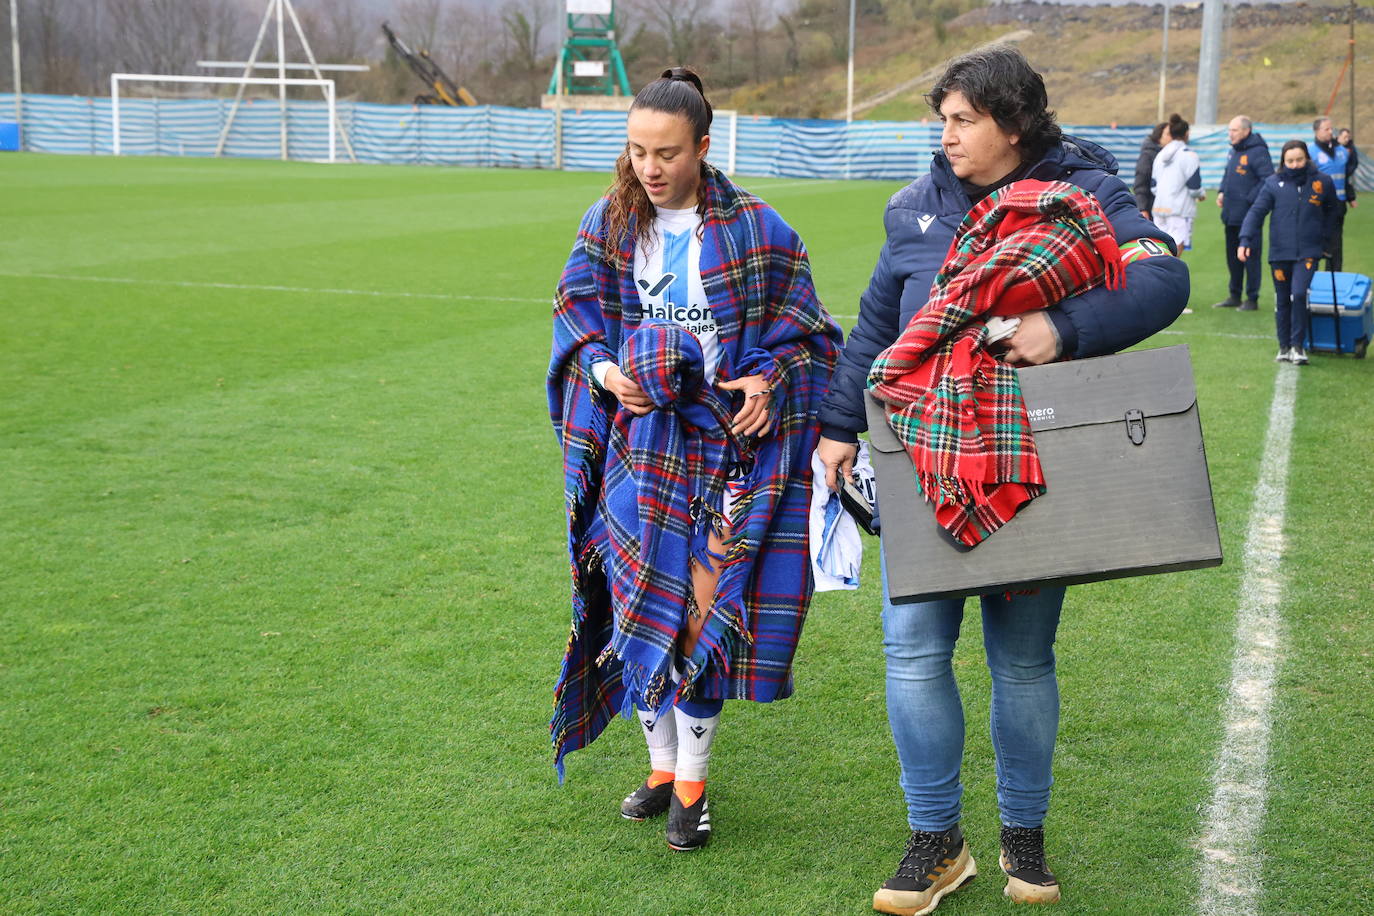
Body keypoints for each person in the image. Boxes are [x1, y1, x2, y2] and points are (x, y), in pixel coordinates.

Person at [814, 46, 1189, 913]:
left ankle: (1024, 835)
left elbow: (1164, 277)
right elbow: (875, 324)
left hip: (1029, 465)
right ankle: (935, 841)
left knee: (1021, 664)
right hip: (919, 464)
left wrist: (1062, 326)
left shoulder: (1088, 193)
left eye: (961, 121)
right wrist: (837, 428)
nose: (942, 137)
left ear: (1012, 126)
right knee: (911, 654)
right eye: (940, 119)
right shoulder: (915, 207)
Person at [547, 67, 842, 852]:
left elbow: (813, 337)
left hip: (724, 451)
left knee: (701, 616)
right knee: (633, 602)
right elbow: (576, 319)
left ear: (703, 148)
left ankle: (694, 786)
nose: (649, 167)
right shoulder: (608, 223)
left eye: (667, 152)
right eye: (638, 149)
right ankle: (658, 765)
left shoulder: (760, 230)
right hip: (637, 445)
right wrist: (611, 375)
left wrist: (771, 378)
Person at [1239, 139, 1339, 365]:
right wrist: (1245, 239)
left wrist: (1325, 239)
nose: (1295, 165)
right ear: (1283, 161)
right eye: (1290, 161)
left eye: (1299, 160)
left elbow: (1333, 211)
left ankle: (1298, 346)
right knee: (1282, 298)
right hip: (1279, 253)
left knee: (1300, 294)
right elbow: (1256, 212)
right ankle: (1284, 346)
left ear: (1307, 159)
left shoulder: (1322, 182)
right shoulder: (1273, 183)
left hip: (1309, 251)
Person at [1213, 115, 1273, 310]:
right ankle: (1234, 295)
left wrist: (1248, 198)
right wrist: (1222, 191)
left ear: (1246, 131)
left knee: (1251, 257)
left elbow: (1267, 179)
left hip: (1249, 214)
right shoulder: (1234, 151)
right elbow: (1227, 174)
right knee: (1232, 257)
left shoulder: (1258, 152)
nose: (1230, 134)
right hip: (1231, 214)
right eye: (1230, 130)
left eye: (1234, 130)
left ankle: (1252, 298)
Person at [1150, 113, 1206, 251]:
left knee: (1161, 251)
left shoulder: (1160, 155)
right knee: (1175, 250)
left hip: (1158, 209)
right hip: (1179, 211)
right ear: (1187, 133)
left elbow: (1153, 186)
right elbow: (1194, 188)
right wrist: (1201, 194)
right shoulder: (1189, 155)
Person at [1309, 116, 1355, 270]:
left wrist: (1350, 196)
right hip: (1318, 205)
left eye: (1331, 129)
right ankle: (1310, 280)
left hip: (1338, 204)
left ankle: (1334, 279)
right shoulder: (1310, 152)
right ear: (1316, 131)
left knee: (1335, 246)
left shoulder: (1342, 151)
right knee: (1314, 243)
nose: (1330, 132)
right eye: (1326, 129)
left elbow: (1346, 175)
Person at [1133, 121, 1167, 220]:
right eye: (1168, 134)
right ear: (1158, 136)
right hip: (1152, 208)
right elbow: (1141, 183)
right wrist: (1142, 208)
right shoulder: (1148, 155)